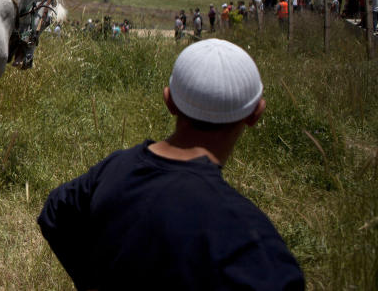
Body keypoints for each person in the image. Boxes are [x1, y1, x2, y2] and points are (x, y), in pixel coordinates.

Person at [38, 39, 305, 290]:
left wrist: (90, 283)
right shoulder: (249, 237)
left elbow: (55, 212)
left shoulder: (113, 169)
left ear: (169, 101)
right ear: (255, 113)